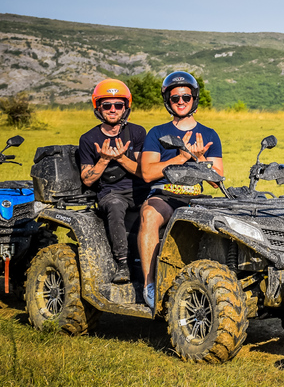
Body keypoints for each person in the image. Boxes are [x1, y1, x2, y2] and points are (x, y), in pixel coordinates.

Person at [138, 71, 223, 308]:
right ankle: (149, 284)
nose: (181, 102)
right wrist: (181, 156)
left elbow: (218, 181)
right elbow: (147, 172)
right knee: (149, 216)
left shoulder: (209, 134)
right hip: (164, 195)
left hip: (195, 197)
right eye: (176, 98)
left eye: (186, 97)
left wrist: (201, 158)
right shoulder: (156, 133)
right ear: (168, 101)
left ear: (194, 98)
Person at [79, 79, 148, 284]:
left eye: (118, 105)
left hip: (139, 189)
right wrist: (104, 159)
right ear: (98, 108)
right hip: (111, 193)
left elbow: (143, 172)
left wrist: (120, 158)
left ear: (125, 107)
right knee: (116, 207)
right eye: (107, 105)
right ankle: (122, 264)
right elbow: (87, 179)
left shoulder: (137, 133)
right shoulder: (88, 138)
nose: (112, 109)